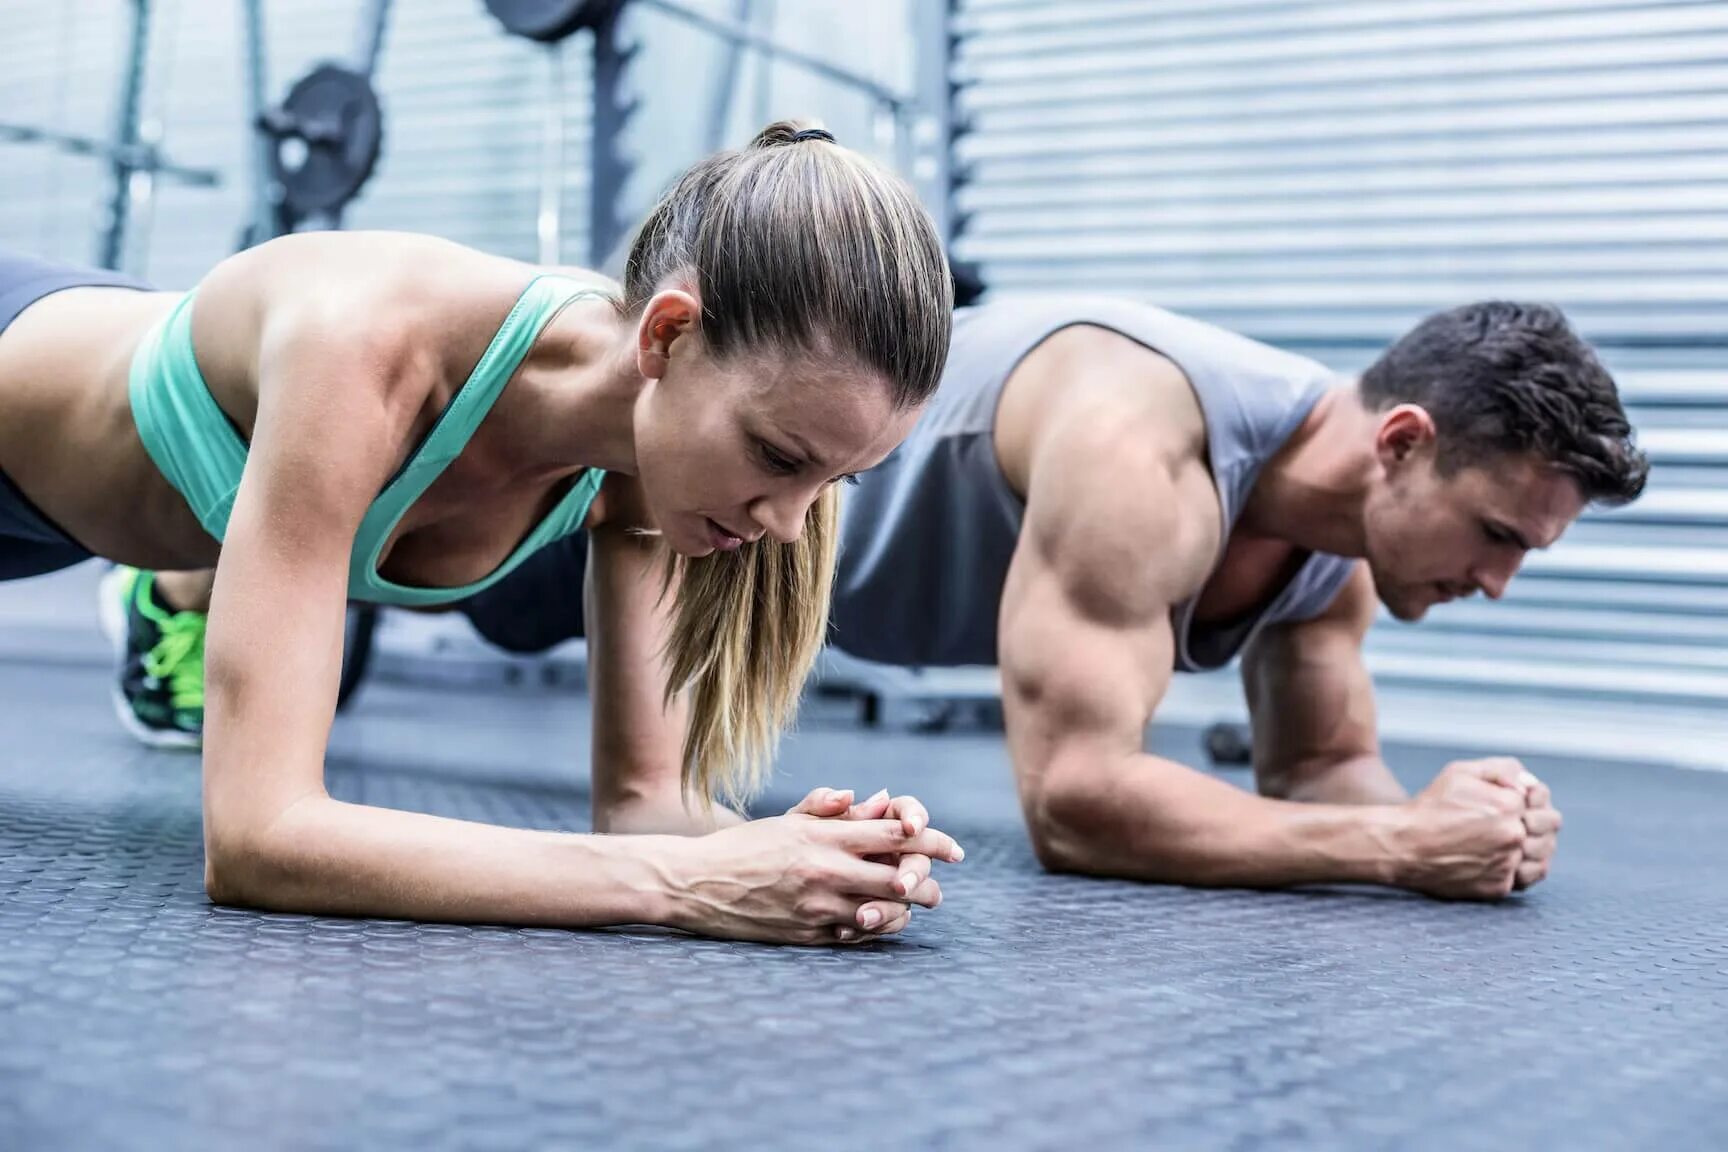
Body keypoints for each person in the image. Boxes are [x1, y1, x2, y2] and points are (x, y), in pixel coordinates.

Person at [0, 121, 964, 944]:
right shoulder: (364, 346)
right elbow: (260, 838)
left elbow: (643, 808)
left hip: (94, 507)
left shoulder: (651, 473)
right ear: (667, 336)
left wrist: (808, 854)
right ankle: (175, 596)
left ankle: (177, 585)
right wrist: (686, 885)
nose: (790, 528)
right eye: (779, 457)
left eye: (839, 480)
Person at [448, 296, 1648, 901]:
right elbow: (1077, 804)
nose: (1496, 583)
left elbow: (1323, 772)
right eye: (1497, 535)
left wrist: (1460, 826)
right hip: (702, 519)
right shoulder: (1142, 442)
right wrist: (1395, 844)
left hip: (798, 591)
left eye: (1523, 556)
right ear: (1401, 440)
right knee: (463, 566)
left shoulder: (1343, 548)